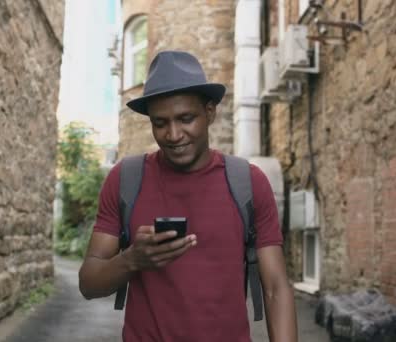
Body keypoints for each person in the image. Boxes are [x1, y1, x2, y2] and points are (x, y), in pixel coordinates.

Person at [79, 50, 297, 341]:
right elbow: (88, 283)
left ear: (210, 112)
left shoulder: (248, 183)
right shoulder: (125, 180)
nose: (173, 134)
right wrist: (132, 259)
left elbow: (275, 288)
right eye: (160, 123)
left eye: (185, 118)